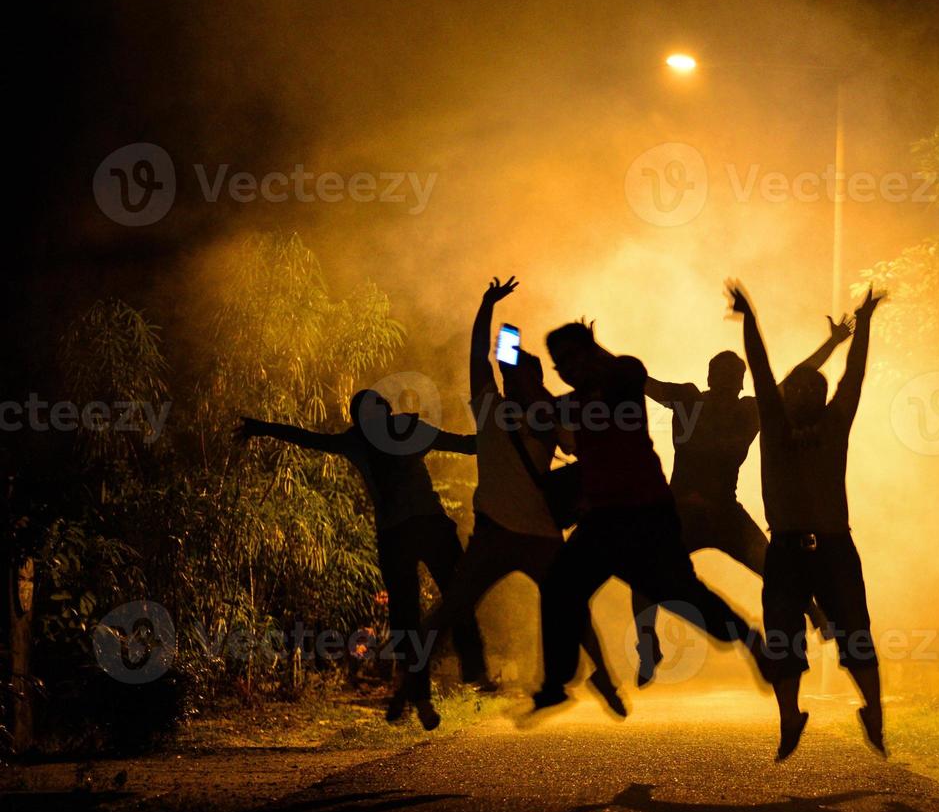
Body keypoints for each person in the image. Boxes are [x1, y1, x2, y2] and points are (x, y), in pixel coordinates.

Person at [532, 320, 775, 712]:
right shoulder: (575, 401)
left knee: (679, 593)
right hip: (604, 518)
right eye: (558, 365)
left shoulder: (622, 377)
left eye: (569, 361)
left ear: (590, 355)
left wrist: (592, 355)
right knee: (561, 585)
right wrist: (523, 381)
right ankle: (557, 682)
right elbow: (545, 414)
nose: (564, 371)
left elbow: (634, 376)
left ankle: (751, 643)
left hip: (646, 515)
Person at [428, 278, 627, 715]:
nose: (510, 376)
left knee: (570, 605)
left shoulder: (550, 415)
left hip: (537, 534)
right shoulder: (490, 406)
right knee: (452, 606)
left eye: (519, 373)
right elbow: (482, 355)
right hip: (496, 532)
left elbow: (580, 445)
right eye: (509, 372)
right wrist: (488, 308)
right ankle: (413, 682)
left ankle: (605, 677)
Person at [236, 391, 477, 731]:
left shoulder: (404, 429)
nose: (369, 420)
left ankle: (469, 668)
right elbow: (308, 438)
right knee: (409, 617)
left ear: (385, 410)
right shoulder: (362, 440)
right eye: (362, 415)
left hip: (426, 527)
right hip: (399, 535)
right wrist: (262, 427)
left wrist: (509, 438)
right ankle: (421, 696)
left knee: (455, 596)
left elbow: (465, 444)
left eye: (372, 411)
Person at [632, 319, 855, 685]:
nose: (726, 385)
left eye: (731, 379)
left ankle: (815, 614)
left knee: (775, 567)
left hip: (722, 510)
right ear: (710, 379)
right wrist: (597, 358)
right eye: (721, 377)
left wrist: (831, 343)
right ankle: (647, 645)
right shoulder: (690, 399)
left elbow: (796, 378)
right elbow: (638, 380)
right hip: (683, 513)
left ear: (738, 385)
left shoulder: (749, 409)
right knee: (644, 574)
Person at [728, 279, 888, 761]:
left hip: (832, 544)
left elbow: (853, 377)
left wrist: (864, 328)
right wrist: (749, 321)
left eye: (803, 388)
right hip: (792, 547)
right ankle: (790, 716)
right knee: (782, 636)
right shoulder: (776, 425)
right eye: (794, 389)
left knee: (854, 632)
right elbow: (760, 370)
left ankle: (874, 713)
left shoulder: (830, 423)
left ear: (812, 398)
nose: (794, 392)